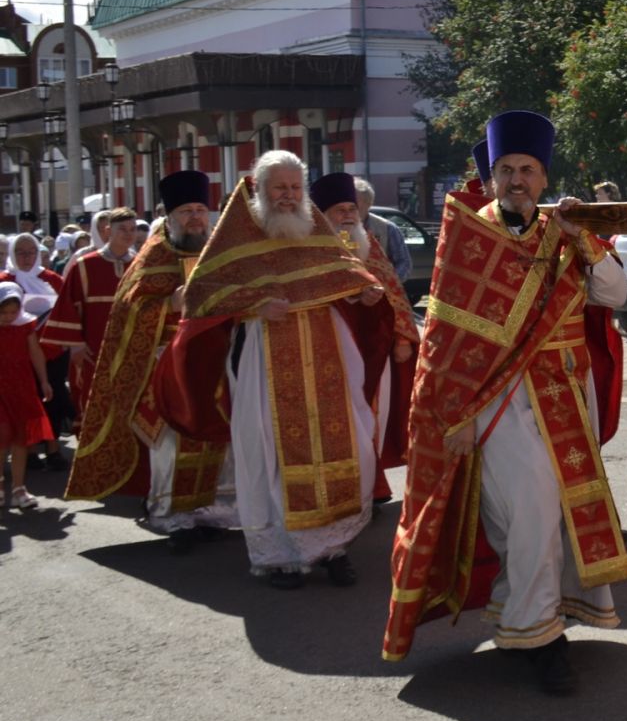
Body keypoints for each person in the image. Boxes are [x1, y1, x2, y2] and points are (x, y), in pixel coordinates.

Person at [384, 110, 627, 695]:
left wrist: (585, 243)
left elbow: (615, 292)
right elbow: (446, 344)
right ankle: (540, 638)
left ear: (545, 179)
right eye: (506, 170)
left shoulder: (564, 233)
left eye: (528, 169)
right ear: (490, 178)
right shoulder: (469, 236)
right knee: (528, 516)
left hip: (568, 394)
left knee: (556, 519)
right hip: (502, 402)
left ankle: (529, 618)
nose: (517, 179)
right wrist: (458, 415)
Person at [166, 152, 387, 589]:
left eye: (294, 187)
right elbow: (201, 298)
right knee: (269, 453)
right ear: (259, 189)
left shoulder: (314, 229)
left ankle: (333, 546)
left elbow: (344, 275)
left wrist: (364, 294)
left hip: (327, 352)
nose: (288, 196)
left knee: (346, 443)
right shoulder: (235, 236)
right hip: (263, 356)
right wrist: (255, 305)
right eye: (279, 188)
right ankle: (280, 556)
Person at [65, 171, 237, 550]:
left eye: (200, 209)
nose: (196, 217)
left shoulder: (218, 251)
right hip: (166, 365)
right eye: (187, 211)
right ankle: (171, 515)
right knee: (171, 444)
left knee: (216, 439)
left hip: (214, 363)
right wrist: (170, 303)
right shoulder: (155, 254)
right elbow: (130, 311)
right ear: (170, 216)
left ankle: (210, 511)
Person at [314, 174, 419, 497]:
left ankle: (371, 487)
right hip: (328, 351)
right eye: (339, 210)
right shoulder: (311, 250)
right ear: (321, 216)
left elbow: (393, 289)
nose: (348, 215)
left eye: (351, 208)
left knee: (374, 419)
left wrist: (403, 337)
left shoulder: (368, 242)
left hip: (375, 349)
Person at [41, 207, 140, 423]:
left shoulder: (142, 265)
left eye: (132, 229)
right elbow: (67, 307)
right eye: (122, 228)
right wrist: (75, 345)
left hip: (134, 350)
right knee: (95, 407)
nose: (128, 234)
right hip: (94, 350)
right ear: (107, 231)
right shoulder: (85, 265)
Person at [8, 232, 68, 466]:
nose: (26, 257)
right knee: (26, 403)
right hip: (18, 354)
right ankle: (29, 450)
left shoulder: (52, 279)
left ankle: (53, 449)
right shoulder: (5, 280)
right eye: (20, 252)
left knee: (54, 399)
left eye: (31, 252)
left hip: (53, 351)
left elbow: (68, 309)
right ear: (13, 254)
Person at [0, 282, 53, 510]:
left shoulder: (25, 325)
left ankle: (19, 488)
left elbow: (35, 352)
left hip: (21, 386)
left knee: (20, 438)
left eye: (13, 312)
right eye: (3, 312)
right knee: (2, 434)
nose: (9, 317)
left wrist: (44, 381)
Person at [355, 176, 412, 287]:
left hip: (381, 294)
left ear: (368, 203)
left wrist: (388, 283)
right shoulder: (336, 227)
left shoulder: (387, 228)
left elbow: (404, 263)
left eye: (355, 201)